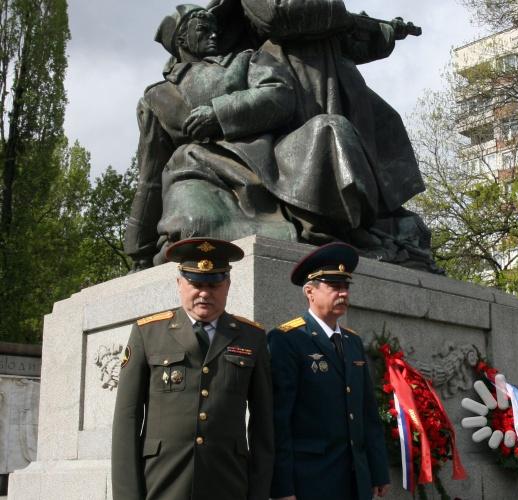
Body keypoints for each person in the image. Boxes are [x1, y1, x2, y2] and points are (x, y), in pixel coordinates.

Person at [124, 4, 301, 270]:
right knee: (195, 227)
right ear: (182, 39)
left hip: (255, 166)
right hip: (193, 172)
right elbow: (150, 171)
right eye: (203, 29)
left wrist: (219, 114)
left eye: (215, 29)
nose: (214, 35)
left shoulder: (246, 60)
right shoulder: (157, 96)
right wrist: (137, 247)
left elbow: (279, 94)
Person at [111, 238, 273, 500]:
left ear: (228, 286)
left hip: (228, 484)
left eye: (214, 284)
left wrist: (259, 493)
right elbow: (126, 421)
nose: (205, 293)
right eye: (196, 284)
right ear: (179, 284)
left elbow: (264, 425)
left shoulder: (251, 337)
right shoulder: (147, 333)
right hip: (163, 483)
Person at [268, 242, 390, 500]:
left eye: (346, 287)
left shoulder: (352, 341)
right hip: (311, 480)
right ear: (310, 292)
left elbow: (367, 413)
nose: (343, 294)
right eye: (335, 287)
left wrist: (378, 471)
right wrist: (282, 487)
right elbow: (279, 421)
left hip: (355, 479)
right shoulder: (287, 339)